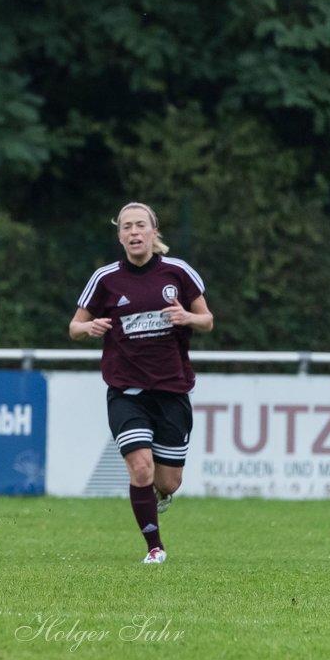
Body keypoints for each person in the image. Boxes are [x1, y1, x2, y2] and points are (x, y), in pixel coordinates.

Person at [69, 201, 214, 565]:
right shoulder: (105, 279)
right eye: (127, 227)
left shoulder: (178, 273)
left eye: (140, 226)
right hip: (126, 391)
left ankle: (160, 497)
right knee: (141, 468)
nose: (134, 232)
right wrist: (88, 328)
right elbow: (74, 326)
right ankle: (154, 547)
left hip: (172, 390)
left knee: (168, 482)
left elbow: (208, 320)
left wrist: (186, 317)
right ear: (119, 236)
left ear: (154, 232)